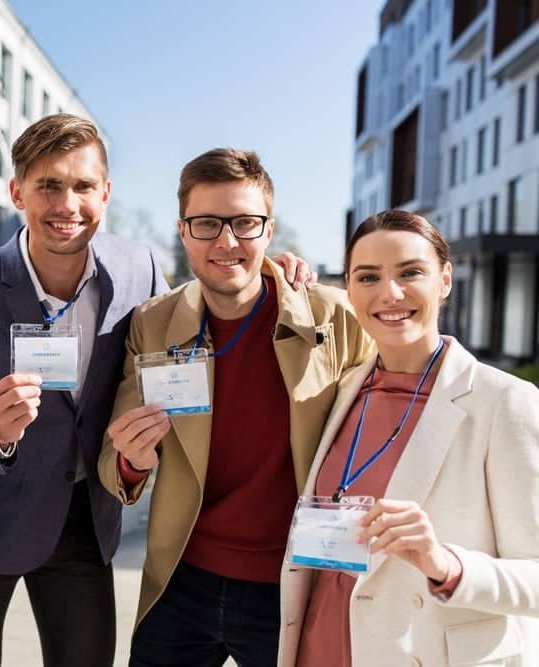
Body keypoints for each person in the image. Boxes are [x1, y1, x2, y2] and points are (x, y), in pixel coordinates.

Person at [99, 148, 375, 666]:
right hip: (181, 580)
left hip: (293, 582)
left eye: (245, 223)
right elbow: (117, 466)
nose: (227, 242)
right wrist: (133, 459)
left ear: (269, 231)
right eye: (206, 224)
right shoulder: (152, 323)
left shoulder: (334, 317)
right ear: (183, 232)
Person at [0, 113, 169, 667]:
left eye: (83, 186)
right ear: (17, 192)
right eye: (48, 186)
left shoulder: (141, 269)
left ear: (105, 193)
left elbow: (193, 324)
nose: (67, 204)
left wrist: (273, 276)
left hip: (86, 524)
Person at [278, 210, 539, 667]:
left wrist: (446, 564)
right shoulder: (342, 392)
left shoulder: (505, 403)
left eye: (410, 272)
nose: (389, 294)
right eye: (368, 277)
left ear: (445, 280)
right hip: (319, 648)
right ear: (350, 290)